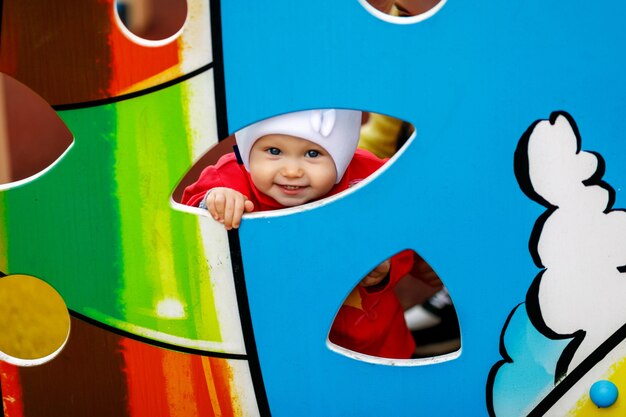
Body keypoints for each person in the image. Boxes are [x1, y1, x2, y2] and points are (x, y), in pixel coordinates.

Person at [182, 109, 417, 359]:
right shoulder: (230, 178)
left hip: (367, 341)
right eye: (274, 151)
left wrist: (387, 268)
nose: (292, 171)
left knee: (379, 389)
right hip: (274, 336)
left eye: (312, 153)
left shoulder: (367, 177)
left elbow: (405, 228)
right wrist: (213, 201)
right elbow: (187, 217)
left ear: (342, 154)